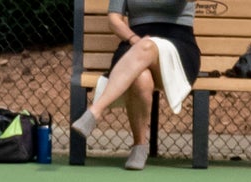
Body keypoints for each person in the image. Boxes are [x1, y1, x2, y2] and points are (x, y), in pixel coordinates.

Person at [70, 0, 200, 170]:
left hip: (177, 46)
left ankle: (95, 111)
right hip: (134, 45)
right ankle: (139, 146)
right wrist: (132, 39)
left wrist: (140, 43)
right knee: (140, 77)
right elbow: (114, 19)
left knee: (146, 46)